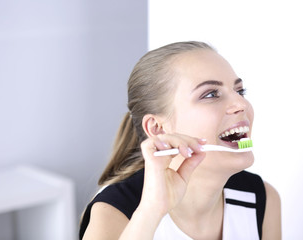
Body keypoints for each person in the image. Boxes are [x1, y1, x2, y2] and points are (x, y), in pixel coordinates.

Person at [79, 41, 281, 240]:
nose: (241, 103)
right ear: (157, 128)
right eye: (211, 94)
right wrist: (151, 211)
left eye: (239, 91)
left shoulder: (261, 199)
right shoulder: (115, 213)